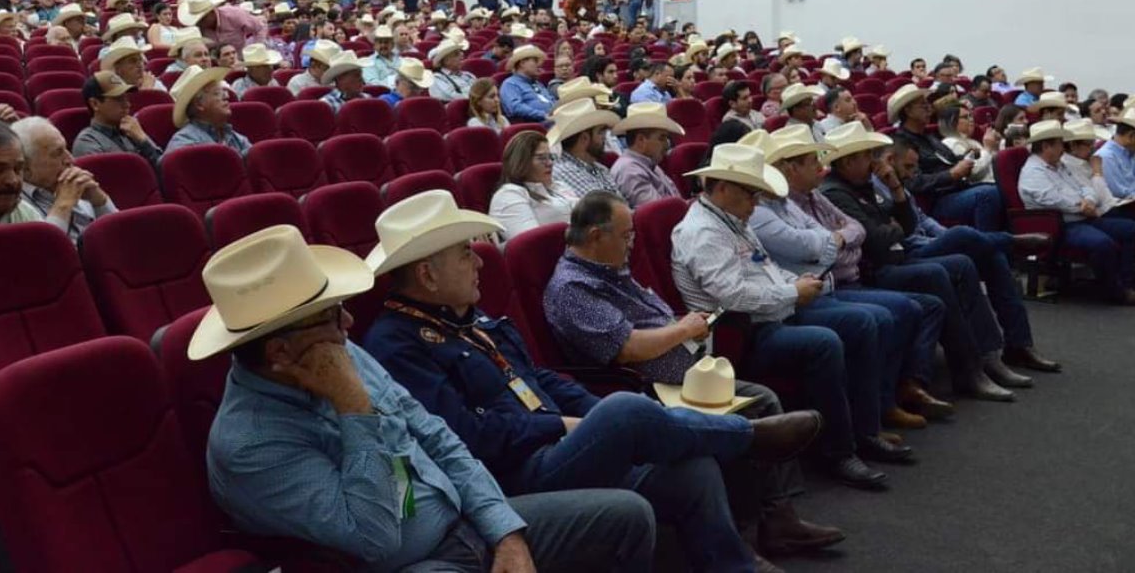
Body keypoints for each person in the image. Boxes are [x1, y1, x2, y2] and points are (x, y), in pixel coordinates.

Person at [363, 188, 823, 571]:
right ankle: (747, 437)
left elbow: (536, 376)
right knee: (626, 409)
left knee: (690, 470)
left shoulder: (467, 319)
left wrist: (590, 416)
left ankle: (734, 564)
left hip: (557, 446)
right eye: (466, 254)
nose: (481, 262)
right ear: (426, 273)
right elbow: (466, 438)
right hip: (511, 474)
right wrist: (568, 426)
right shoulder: (396, 346)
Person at [196, 225, 656, 572]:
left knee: (629, 517)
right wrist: (353, 407)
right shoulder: (249, 445)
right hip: (410, 564)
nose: (349, 324)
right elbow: (376, 537)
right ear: (279, 352)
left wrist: (506, 532)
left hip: (467, 521)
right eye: (332, 316)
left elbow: (438, 437)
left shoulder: (339, 352)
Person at [544, 191, 848, 568]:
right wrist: (684, 328)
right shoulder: (573, 288)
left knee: (762, 400)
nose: (632, 243)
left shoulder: (609, 269)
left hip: (684, 370)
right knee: (744, 414)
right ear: (595, 236)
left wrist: (686, 328)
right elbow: (628, 348)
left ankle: (778, 519)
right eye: (626, 235)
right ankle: (741, 530)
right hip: (642, 386)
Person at [670, 143, 900, 489]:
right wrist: (794, 292)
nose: (757, 203)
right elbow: (732, 296)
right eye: (751, 194)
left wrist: (796, 283)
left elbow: (764, 269)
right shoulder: (703, 232)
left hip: (771, 314)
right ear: (721, 188)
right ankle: (839, 451)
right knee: (825, 342)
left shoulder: (732, 217)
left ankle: (865, 430)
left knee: (861, 323)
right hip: (738, 335)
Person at [821, 124, 1058, 394]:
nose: (872, 161)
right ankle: (969, 369)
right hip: (876, 268)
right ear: (849, 160)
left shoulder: (864, 185)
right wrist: (893, 225)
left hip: (898, 255)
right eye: (866, 155)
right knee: (944, 266)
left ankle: (994, 354)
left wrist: (896, 189)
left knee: (979, 260)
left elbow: (905, 225)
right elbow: (875, 240)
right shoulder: (836, 192)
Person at [746, 126, 948, 430]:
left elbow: (854, 233)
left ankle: (889, 401)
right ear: (789, 168)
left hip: (827, 282)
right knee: (881, 315)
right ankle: (870, 420)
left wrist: (835, 243)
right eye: (813, 159)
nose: (821, 165)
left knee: (918, 301)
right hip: (801, 296)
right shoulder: (762, 211)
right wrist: (837, 243)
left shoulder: (789, 200)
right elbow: (824, 246)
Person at [1019, 120, 1135, 303]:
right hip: (1061, 224)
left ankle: (1129, 284)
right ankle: (1116, 292)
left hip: (1083, 216)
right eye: (1059, 144)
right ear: (1046, 146)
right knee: (1102, 244)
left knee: (1129, 229)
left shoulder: (1059, 165)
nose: (1062, 149)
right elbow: (1052, 200)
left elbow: (1085, 187)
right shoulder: (1033, 171)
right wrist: (1081, 204)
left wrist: (1087, 200)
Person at [888, 84, 1004, 231]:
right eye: (923, 105)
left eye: (928, 104)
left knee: (999, 188)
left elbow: (951, 160)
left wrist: (969, 156)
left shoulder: (929, 137)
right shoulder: (901, 144)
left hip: (956, 190)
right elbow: (914, 182)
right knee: (988, 194)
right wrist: (951, 174)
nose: (929, 108)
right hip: (936, 200)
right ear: (908, 111)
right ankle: (989, 244)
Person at [13, 117, 116, 244]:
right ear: (26, 167)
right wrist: (63, 206)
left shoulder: (76, 183)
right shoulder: (14, 205)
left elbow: (120, 235)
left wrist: (100, 201)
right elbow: (45, 252)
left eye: (66, 149)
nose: (70, 160)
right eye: (57, 153)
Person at [489, 131, 578, 240]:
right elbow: (533, 244)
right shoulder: (509, 195)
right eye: (541, 158)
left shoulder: (559, 186)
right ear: (521, 161)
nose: (550, 163)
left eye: (550, 157)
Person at [72, 71, 163, 164]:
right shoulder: (88, 141)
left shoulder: (132, 130)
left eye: (126, 98)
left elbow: (163, 168)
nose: (127, 104)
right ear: (95, 104)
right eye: (118, 99)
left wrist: (143, 140)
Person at [609, 103, 682, 207]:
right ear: (641, 140)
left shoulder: (650, 164)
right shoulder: (630, 171)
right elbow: (660, 212)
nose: (667, 145)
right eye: (662, 138)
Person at [166, 66, 251, 156]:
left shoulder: (234, 137)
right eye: (217, 93)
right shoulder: (184, 140)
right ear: (199, 104)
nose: (227, 97)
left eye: (224, 92)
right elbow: (169, 164)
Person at [548, 98, 622, 198]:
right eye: (600, 132)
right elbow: (605, 210)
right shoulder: (565, 171)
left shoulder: (599, 168)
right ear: (584, 138)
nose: (604, 137)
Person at [178, 0, 266, 52]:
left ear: (212, 12)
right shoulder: (197, 28)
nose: (199, 23)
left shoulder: (234, 14)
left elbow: (260, 27)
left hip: (239, 61)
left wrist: (257, 51)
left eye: (202, 19)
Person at [937, 104, 995, 184]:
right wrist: (988, 148)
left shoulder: (973, 141)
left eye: (971, 116)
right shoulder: (950, 142)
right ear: (952, 121)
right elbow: (973, 173)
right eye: (965, 117)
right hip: (978, 186)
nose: (971, 120)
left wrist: (995, 146)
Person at [499, 45, 554, 123]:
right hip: (536, 125)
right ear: (522, 63)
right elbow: (515, 107)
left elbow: (551, 100)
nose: (539, 65)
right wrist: (543, 115)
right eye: (535, 61)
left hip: (553, 119)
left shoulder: (538, 83)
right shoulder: (510, 84)